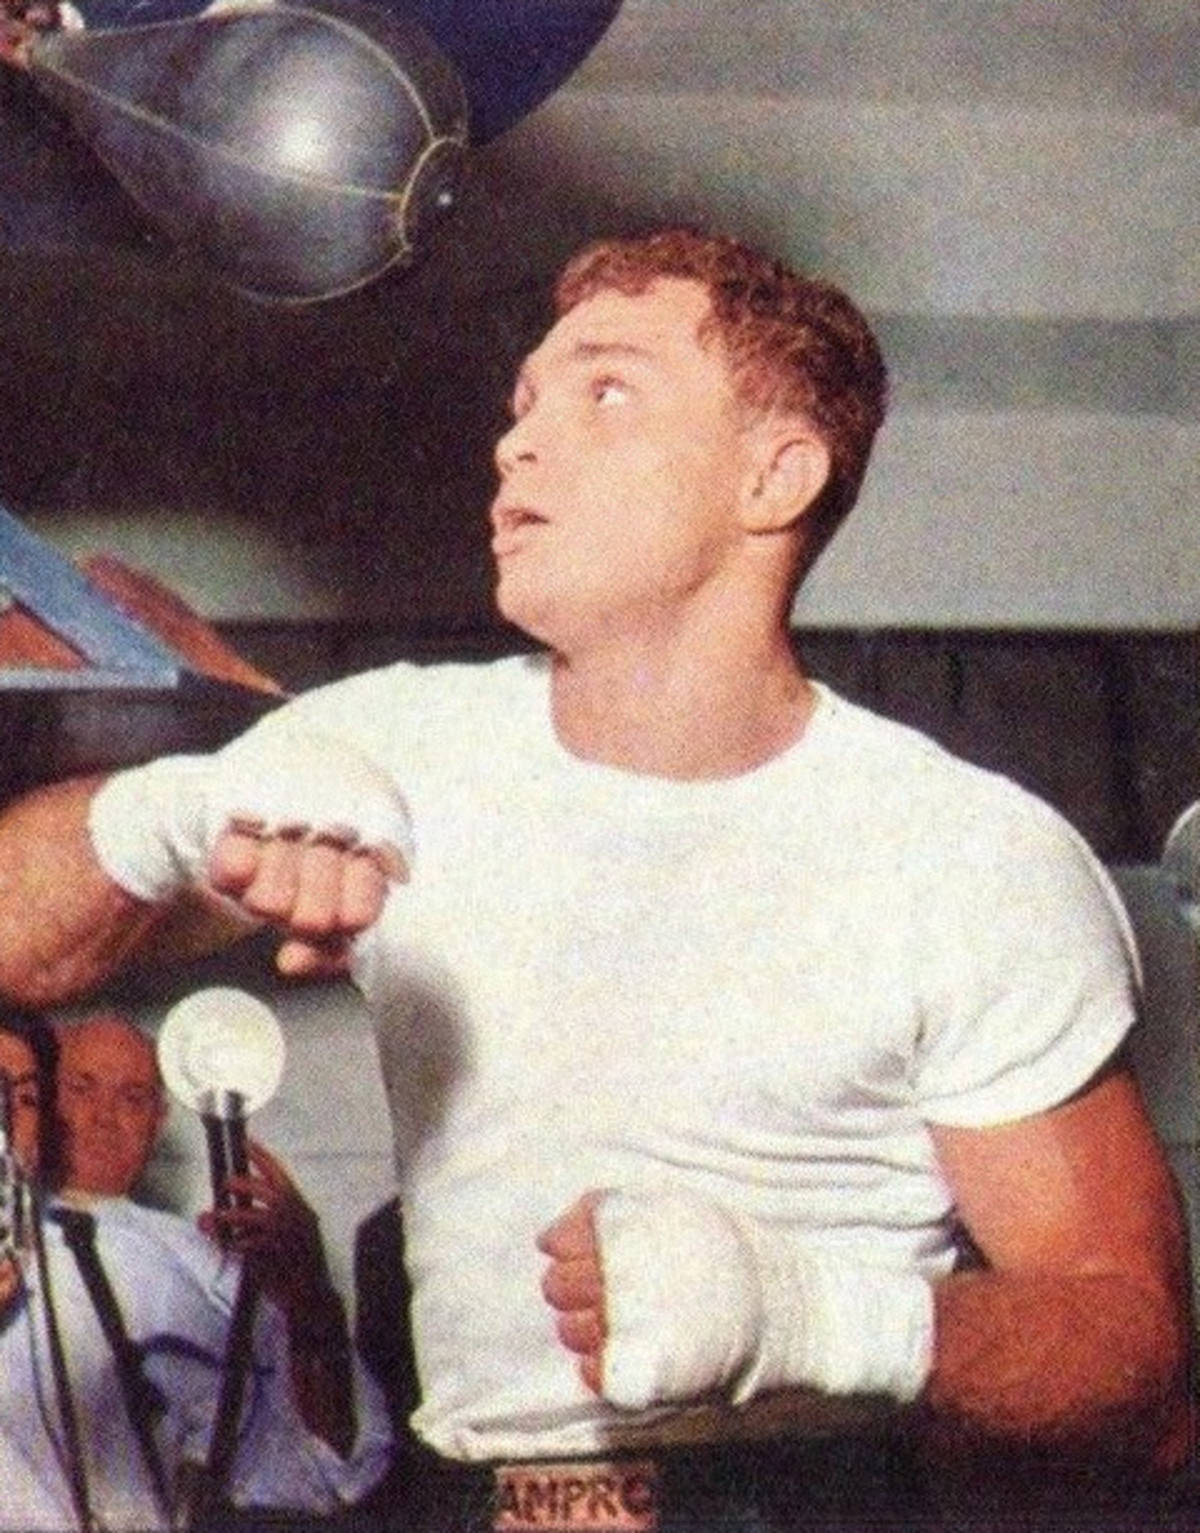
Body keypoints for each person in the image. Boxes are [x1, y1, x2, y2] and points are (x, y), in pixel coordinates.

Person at [0, 228, 1190, 1523]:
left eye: (605, 392)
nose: (517, 443)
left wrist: (812, 1314)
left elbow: (1133, 1354)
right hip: (454, 1495)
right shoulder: (397, 744)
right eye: (522, 407)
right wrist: (165, 811)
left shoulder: (966, 854)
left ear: (773, 473)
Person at [0, 1008, 391, 1531]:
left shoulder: (202, 1271)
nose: (102, 1116)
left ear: (158, 1120)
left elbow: (326, 1469)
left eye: (132, 1097)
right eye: (81, 1088)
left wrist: (310, 1296)